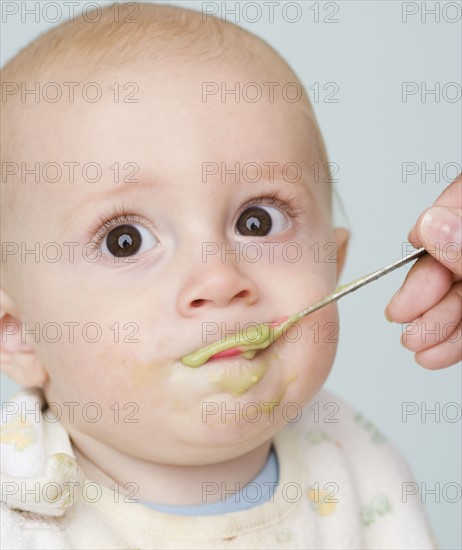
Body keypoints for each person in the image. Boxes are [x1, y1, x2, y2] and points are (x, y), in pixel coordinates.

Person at [0, 3, 459, 549]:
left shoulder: (359, 469)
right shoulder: (22, 519)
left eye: (257, 220)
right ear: (17, 332)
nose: (220, 279)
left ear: (333, 267)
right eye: (126, 241)